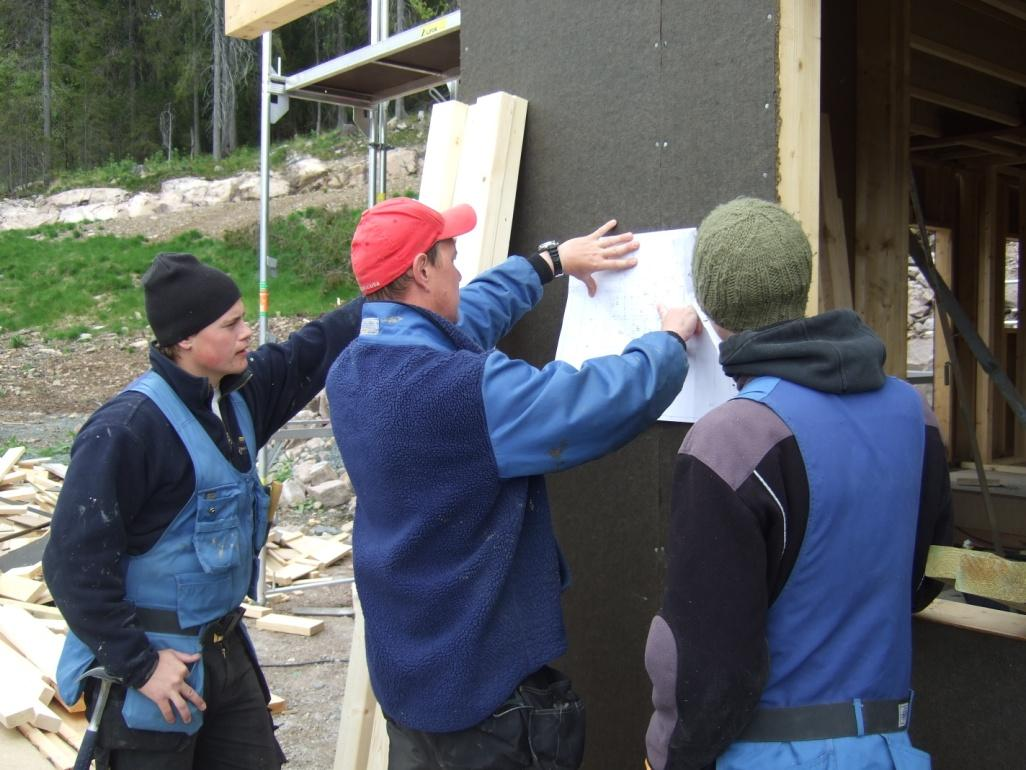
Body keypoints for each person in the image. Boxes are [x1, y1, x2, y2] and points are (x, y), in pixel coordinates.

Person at [326, 196, 702, 770]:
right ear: (423, 270)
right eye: (451, 257)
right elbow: (587, 403)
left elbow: (464, 315)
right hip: (482, 701)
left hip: (409, 679)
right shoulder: (458, 391)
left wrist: (549, 263)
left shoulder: (353, 369)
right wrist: (668, 344)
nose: (459, 270)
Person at [643, 197, 953, 770]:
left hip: (769, 753)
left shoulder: (733, 439)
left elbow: (706, 660)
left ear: (709, 314)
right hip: (890, 749)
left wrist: (669, 756)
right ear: (800, 286)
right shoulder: (915, 414)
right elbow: (925, 578)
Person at [42, 252, 363, 769]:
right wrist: (141, 667)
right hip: (156, 669)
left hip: (223, 647)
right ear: (186, 339)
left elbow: (313, 349)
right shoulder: (128, 430)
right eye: (231, 323)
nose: (246, 334)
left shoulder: (239, 395)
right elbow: (71, 566)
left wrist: (387, 293)